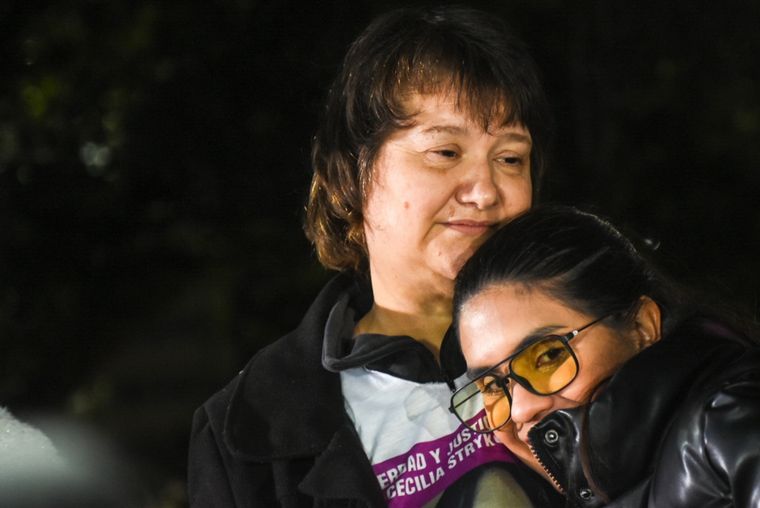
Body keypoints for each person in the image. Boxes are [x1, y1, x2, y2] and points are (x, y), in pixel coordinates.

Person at [187, 5, 563, 507]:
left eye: (510, 159)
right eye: (445, 152)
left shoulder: (593, 335)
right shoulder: (250, 430)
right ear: (351, 175)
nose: (485, 191)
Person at [450, 205, 760, 507]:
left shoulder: (731, 424)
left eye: (547, 356)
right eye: (492, 386)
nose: (519, 410)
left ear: (641, 326)